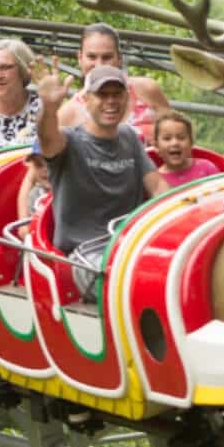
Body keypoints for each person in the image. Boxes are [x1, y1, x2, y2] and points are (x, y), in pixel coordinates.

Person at [37, 63, 168, 299]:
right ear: (86, 99)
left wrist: (179, 213)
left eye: (117, 94)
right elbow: (48, 140)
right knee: (130, 284)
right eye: (102, 94)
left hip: (128, 246)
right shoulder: (70, 141)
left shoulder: (129, 137)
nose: (111, 101)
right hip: (84, 255)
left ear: (127, 99)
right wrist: (48, 108)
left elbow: (158, 186)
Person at [58, 23, 170, 145]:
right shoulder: (69, 113)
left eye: (107, 57)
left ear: (119, 59)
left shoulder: (146, 90)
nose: (99, 64)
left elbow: (178, 133)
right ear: (80, 58)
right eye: (91, 57)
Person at [154, 110, 220, 187]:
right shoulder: (155, 180)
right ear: (156, 146)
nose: (175, 143)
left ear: (191, 143)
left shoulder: (206, 168)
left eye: (181, 138)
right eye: (167, 138)